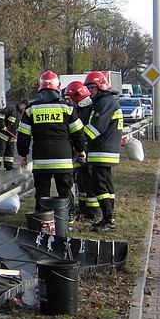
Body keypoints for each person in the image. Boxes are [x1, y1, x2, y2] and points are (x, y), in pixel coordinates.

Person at [17, 71, 87, 212]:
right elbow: (78, 133)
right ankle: (68, 218)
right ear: (58, 87)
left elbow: (23, 135)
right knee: (65, 191)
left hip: (41, 160)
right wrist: (80, 150)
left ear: (40, 87)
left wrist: (23, 154)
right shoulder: (67, 108)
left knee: (42, 193)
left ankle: (42, 219)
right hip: (63, 159)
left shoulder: (31, 109)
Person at [83, 71, 123, 232]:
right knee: (106, 185)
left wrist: (77, 140)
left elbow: (95, 128)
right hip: (106, 150)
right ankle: (109, 217)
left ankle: (109, 218)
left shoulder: (105, 103)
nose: (90, 91)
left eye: (92, 87)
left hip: (102, 150)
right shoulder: (105, 101)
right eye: (88, 88)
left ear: (101, 86)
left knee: (99, 185)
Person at [64, 81, 99, 222]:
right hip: (81, 151)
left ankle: (94, 212)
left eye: (70, 98)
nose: (68, 102)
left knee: (89, 183)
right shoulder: (79, 109)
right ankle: (83, 208)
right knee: (82, 182)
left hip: (88, 151)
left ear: (77, 96)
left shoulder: (88, 110)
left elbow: (85, 131)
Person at [0, 99, 28, 171]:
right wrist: (3, 126)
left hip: (11, 136)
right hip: (2, 134)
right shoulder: (11, 108)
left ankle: (9, 166)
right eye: (24, 107)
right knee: (0, 150)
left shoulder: (22, 114)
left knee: (10, 151)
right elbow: (0, 115)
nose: (24, 110)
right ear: (21, 105)